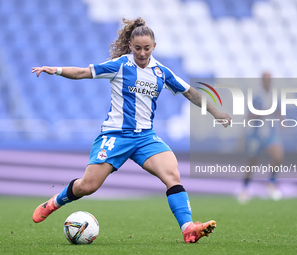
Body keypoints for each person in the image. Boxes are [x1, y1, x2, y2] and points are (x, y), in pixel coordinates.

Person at [31, 17, 231, 243]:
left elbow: (190, 93)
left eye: (147, 48)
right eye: (138, 48)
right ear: (130, 46)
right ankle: (54, 202)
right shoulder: (120, 65)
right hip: (115, 136)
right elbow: (81, 73)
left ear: (154, 47)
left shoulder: (161, 72)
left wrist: (216, 113)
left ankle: (188, 228)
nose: (142, 53)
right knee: (88, 186)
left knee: (172, 175)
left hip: (145, 138)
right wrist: (54, 70)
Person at [238, 72, 284, 204]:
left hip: (270, 133)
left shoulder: (275, 96)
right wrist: (265, 112)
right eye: (265, 80)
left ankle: (271, 184)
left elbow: (278, 111)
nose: (267, 82)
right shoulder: (256, 97)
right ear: (262, 81)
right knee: (252, 162)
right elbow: (250, 115)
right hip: (256, 134)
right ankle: (245, 188)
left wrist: (282, 122)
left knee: (278, 157)